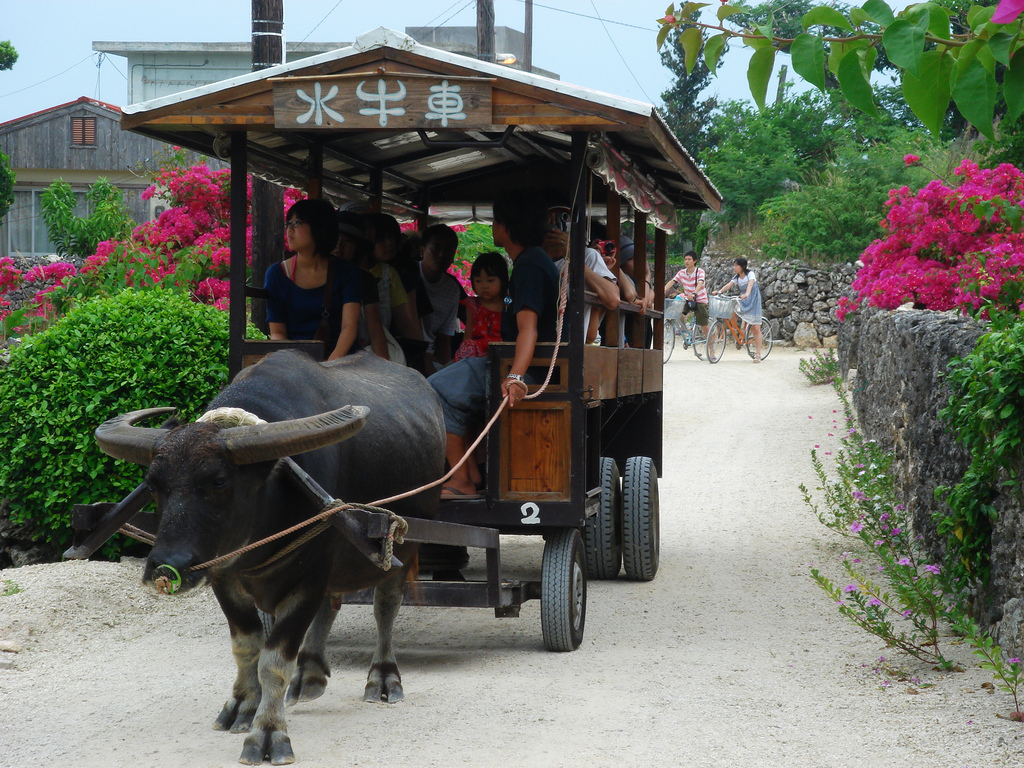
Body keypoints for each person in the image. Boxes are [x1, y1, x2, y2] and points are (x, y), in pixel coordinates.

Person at [428, 188, 559, 498]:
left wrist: (515, 376)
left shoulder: (529, 266)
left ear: (508, 227)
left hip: (526, 370)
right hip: (511, 363)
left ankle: (462, 480)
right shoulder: (531, 261)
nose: (493, 227)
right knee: (450, 385)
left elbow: (528, 330)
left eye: (496, 221)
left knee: (435, 389)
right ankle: (472, 474)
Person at [265, 198, 363, 361]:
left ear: (319, 227)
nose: (289, 230)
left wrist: (330, 366)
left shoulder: (347, 272)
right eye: (288, 224)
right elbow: (277, 333)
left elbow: (349, 327)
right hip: (295, 362)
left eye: (296, 223)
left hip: (342, 361)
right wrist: (292, 364)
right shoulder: (277, 274)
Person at [333, 209, 390, 360]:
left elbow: (375, 328)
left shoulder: (365, 279)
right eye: (335, 238)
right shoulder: (315, 274)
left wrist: (386, 367)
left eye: (347, 241)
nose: (339, 245)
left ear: (358, 247)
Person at [418, 223, 463, 372]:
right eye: (436, 248)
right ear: (422, 251)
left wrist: (444, 373)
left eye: (448, 250)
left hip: (432, 358)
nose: (442, 254)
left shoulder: (451, 289)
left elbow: (444, 340)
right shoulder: (408, 275)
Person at [454, 250, 507, 362]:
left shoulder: (509, 303)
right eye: (478, 281)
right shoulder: (473, 305)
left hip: (503, 352)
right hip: (477, 355)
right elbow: (467, 337)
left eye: (490, 280)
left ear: (502, 280)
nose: (484, 286)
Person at [714, 256, 764, 362]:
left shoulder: (750, 274)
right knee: (731, 308)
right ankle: (735, 330)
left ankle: (758, 354)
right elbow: (729, 285)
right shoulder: (736, 277)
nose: (734, 268)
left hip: (753, 299)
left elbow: (750, 284)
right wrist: (719, 292)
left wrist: (747, 293)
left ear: (743, 266)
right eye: (734, 265)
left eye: (736, 266)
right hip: (743, 298)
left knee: (756, 328)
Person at [665, 250, 709, 337]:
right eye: (685, 259)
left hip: (700, 300)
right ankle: (683, 327)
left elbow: (700, 282)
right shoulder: (682, 273)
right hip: (688, 299)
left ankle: (711, 343)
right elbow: (672, 282)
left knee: (703, 324)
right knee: (677, 310)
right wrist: (662, 290)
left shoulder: (700, 271)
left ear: (695, 261)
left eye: (689, 259)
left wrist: (694, 293)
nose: (687, 261)